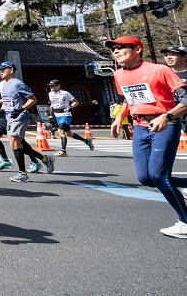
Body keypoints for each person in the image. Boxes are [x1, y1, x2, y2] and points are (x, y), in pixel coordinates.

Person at [107, 36, 187, 238]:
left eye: (120, 47)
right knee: (145, 178)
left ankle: (185, 222)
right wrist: (119, 118)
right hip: (140, 127)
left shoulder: (159, 70)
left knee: (159, 175)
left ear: (137, 49)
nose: (115, 51)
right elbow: (128, 98)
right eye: (113, 49)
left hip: (164, 125)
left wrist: (167, 116)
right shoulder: (118, 74)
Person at [0, 61, 55, 183]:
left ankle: (22, 173)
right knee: (19, 145)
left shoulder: (18, 84)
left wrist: (20, 109)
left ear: (11, 70)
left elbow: (33, 99)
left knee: (14, 144)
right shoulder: (2, 84)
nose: (0, 72)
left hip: (20, 117)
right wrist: (2, 110)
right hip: (9, 117)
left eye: (3, 69)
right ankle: (45, 159)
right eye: (0, 70)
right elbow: (7, 101)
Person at [47, 79, 92, 156]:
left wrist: (69, 107)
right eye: (50, 86)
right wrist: (49, 110)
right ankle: (86, 141)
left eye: (53, 85)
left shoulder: (65, 93)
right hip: (57, 115)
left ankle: (63, 151)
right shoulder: (50, 94)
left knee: (60, 131)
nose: (51, 87)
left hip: (65, 114)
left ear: (58, 86)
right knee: (69, 134)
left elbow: (76, 102)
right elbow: (52, 103)